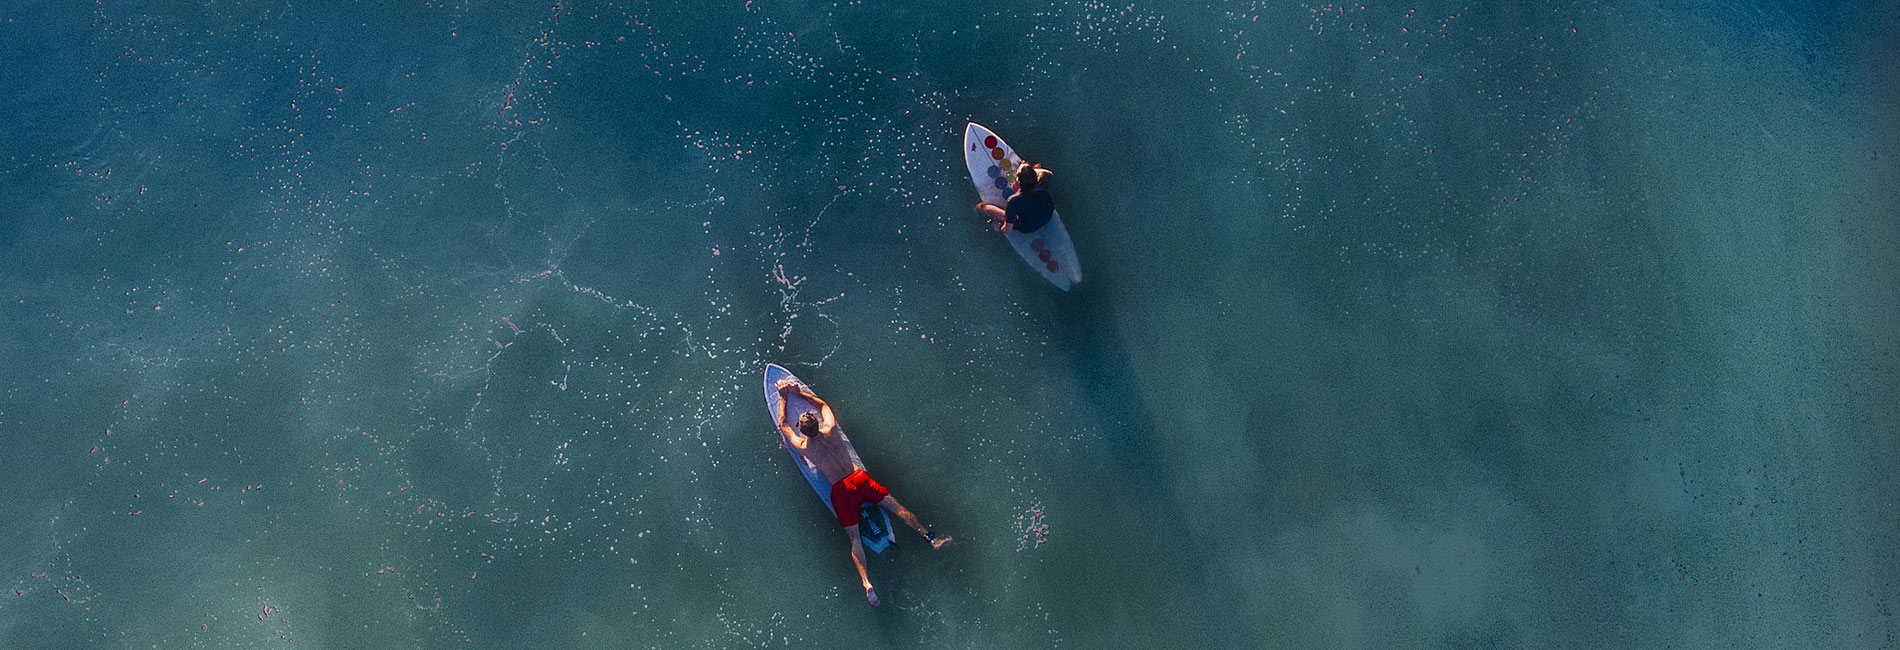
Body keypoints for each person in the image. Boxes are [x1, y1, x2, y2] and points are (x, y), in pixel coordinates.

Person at [776, 378, 951, 606]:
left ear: (803, 430)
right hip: (859, 479)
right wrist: (801, 394)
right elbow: (823, 405)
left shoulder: (804, 446)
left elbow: (782, 425)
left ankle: (867, 584)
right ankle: (930, 538)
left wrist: (783, 397)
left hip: (840, 490)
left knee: (855, 537)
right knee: (895, 506)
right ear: (817, 424)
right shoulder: (830, 430)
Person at [975, 162, 1055, 234]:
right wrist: (1025, 167)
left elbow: (1008, 231)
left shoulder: (1014, 200)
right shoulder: (1043, 182)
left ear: (1018, 181)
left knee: (981, 206)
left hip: (1028, 227)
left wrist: (1002, 228)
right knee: (1037, 166)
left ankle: (983, 208)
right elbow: (1046, 172)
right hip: (1048, 214)